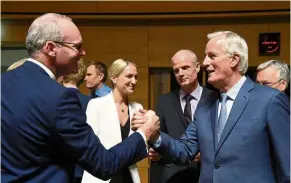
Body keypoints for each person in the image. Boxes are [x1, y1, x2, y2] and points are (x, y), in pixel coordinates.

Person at [1, 13, 159, 183]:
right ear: (51, 48)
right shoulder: (60, 98)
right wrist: (145, 132)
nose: (83, 52)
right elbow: (103, 164)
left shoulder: (4, 82)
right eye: (77, 46)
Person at [133, 30, 290, 183]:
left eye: (212, 56)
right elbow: (184, 151)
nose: (206, 63)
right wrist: (154, 134)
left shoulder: (270, 99)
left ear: (234, 60)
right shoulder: (205, 106)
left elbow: (287, 166)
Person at [149, 50, 214, 183]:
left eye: (185, 68)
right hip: (174, 175)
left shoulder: (214, 98)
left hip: (205, 173)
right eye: (176, 70)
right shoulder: (164, 101)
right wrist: (156, 153)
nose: (180, 74)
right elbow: (160, 136)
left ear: (197, 67)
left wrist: (207, 153)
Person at [82, 58, 142, 183]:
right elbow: (89, 146)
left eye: (136, 77)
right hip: (101, 177)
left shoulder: (137, 108)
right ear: (114, 78)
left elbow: (141, 145)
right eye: (129, 76)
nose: (134, 81)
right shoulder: (96, 105)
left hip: (128, 177)